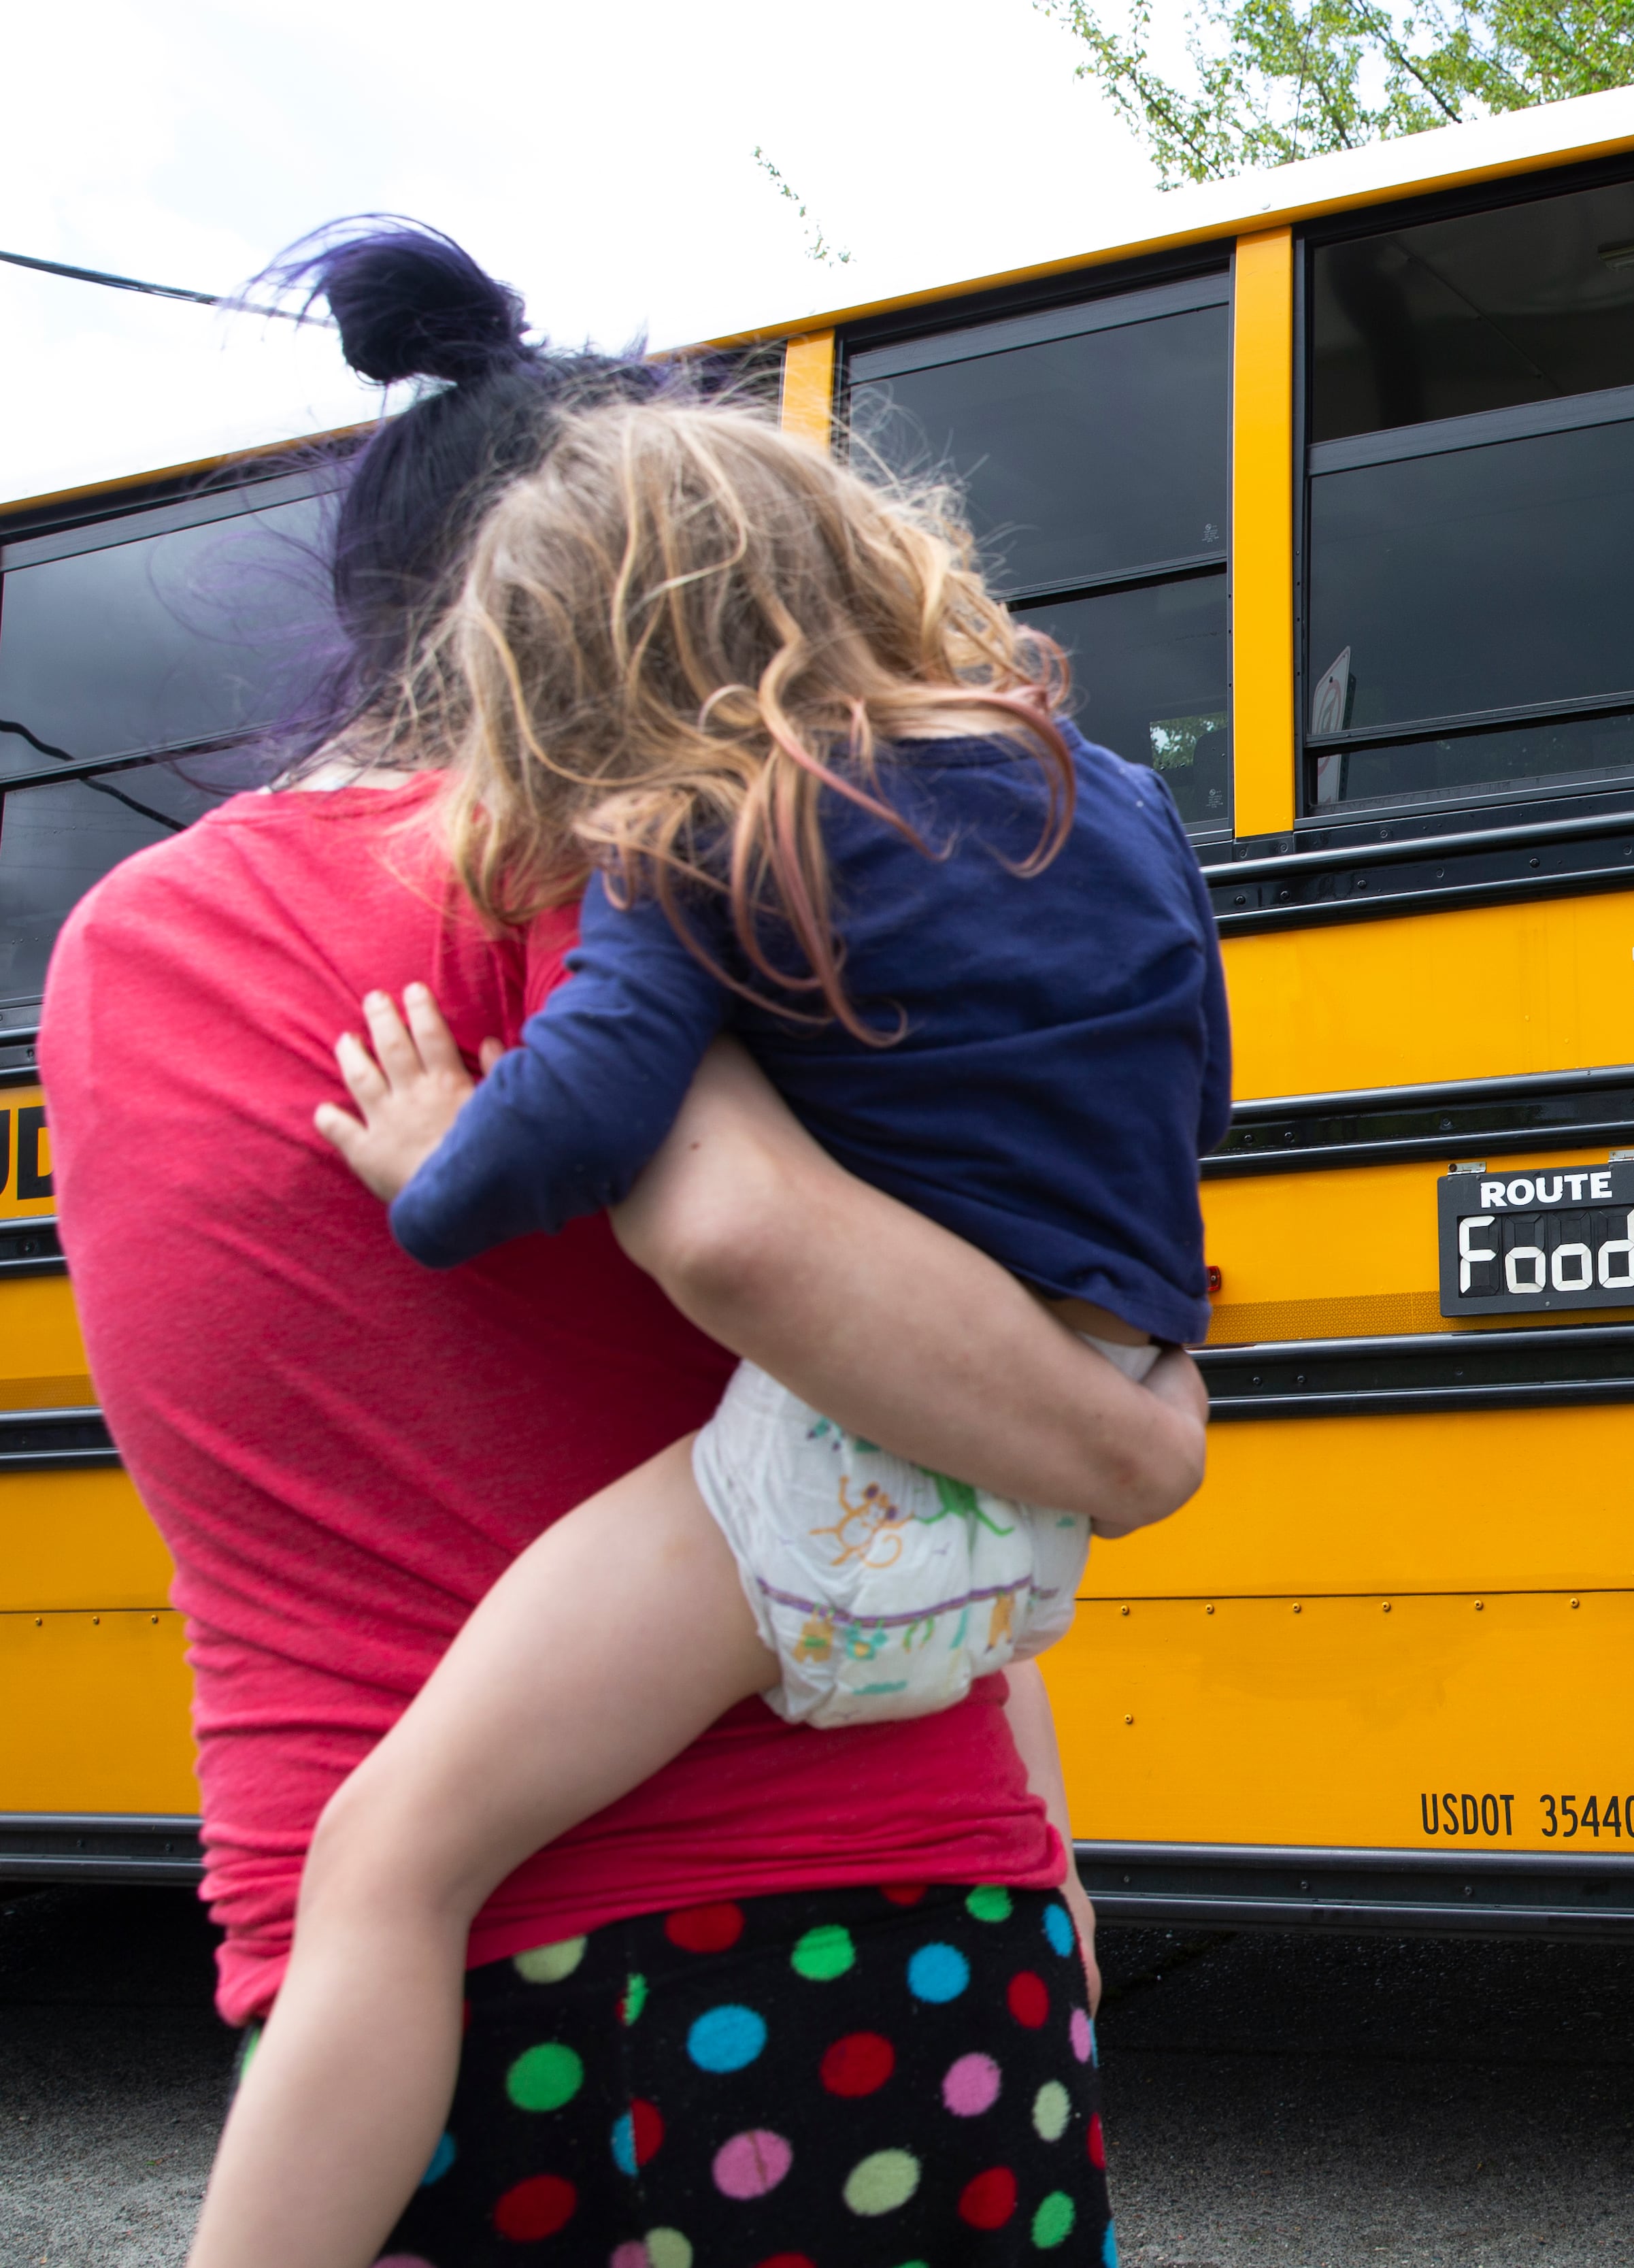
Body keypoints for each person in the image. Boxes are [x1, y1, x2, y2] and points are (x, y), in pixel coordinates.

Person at [44, 227, 1183, 2268]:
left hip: (390, 2011)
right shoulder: (685, 857)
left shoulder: (119, 955)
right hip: (889, 1947)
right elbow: (869, 1349)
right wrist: (1140, 1451)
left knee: (396, 1856)